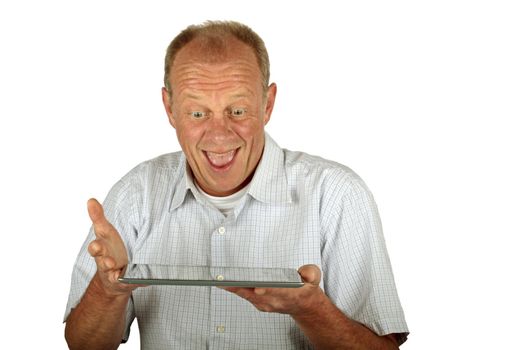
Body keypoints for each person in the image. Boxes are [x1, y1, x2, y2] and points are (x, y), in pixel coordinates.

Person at [64, 20, 409, 349]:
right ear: (169, 109)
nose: (219, 134)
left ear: (268, 104)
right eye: (197, 113)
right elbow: (82, 345)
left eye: (238, 111)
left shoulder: (336, 195)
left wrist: (311, 310)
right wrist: (109, 289)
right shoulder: (135, 195)